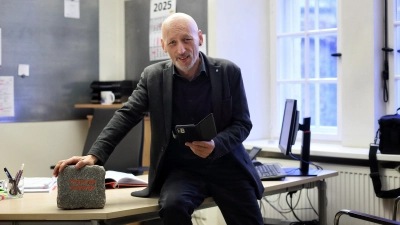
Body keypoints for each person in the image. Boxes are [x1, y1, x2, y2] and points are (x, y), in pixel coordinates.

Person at [53, 12, 264, 225]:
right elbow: (127, 115)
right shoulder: (153, 77)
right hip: (182, 171)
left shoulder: (228, 72)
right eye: (172, 42)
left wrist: (216, 144)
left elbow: (242, 124)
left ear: (200, 38)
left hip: (227, 165)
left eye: (187, 40)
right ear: (163, 45)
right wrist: (94, 155)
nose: (180, 49)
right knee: (173, 207)